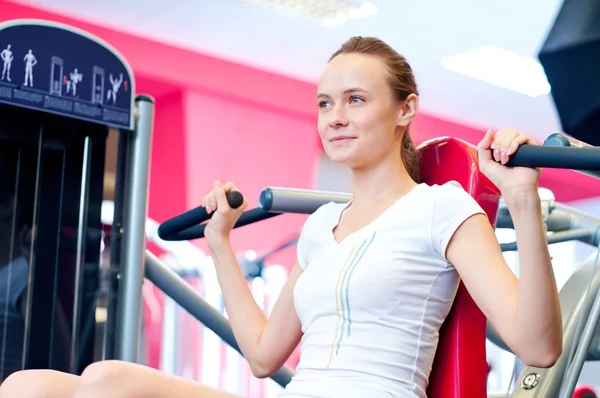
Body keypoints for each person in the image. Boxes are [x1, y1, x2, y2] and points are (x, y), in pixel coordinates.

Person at [0, 36, 562, 397]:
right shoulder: (322, 227)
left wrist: (520, 203)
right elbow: (266, 355)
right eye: (324, 103)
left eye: (356, 100)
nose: (335, 118)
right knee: (26, 387)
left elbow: (537, 347)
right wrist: (219, 243)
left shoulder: (443, 208)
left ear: (405, 108)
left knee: (104, 384)